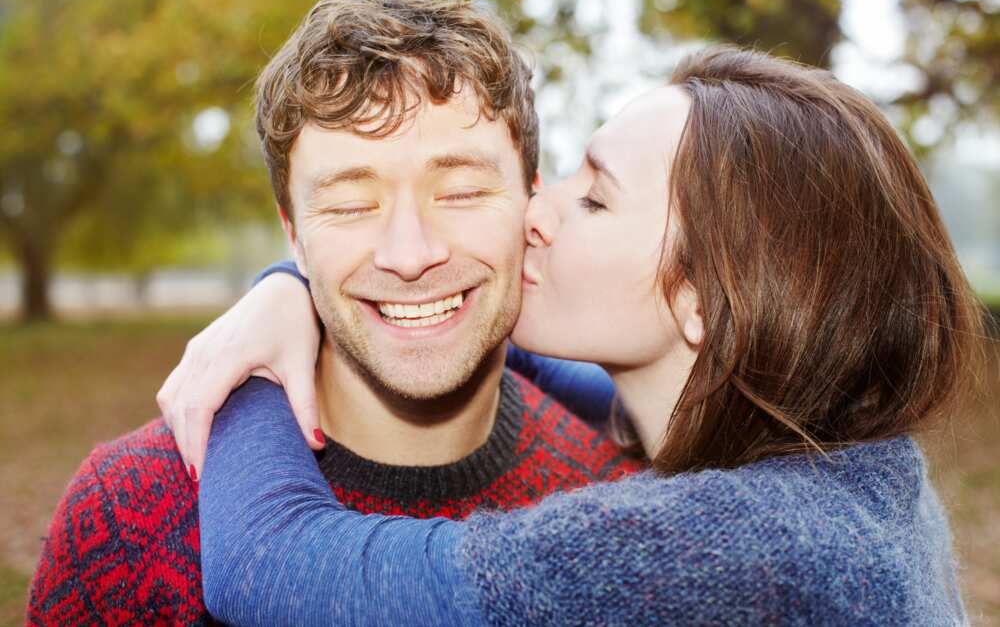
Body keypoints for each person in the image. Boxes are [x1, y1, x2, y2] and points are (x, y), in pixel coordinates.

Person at [186, 46, 984, 624]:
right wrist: (306, 291)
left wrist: (251, 368)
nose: (536, 212)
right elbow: (578, 387)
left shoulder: (737, 550)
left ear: (702, 298)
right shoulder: (848, 462)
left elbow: (272, 565)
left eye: (594, 199)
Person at [26, 0, 640, 625]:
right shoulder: (128, 515)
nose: (410, 252)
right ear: (293, 234)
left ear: (531, 204)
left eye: (459, 191)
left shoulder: (626, 489)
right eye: (350, 204)